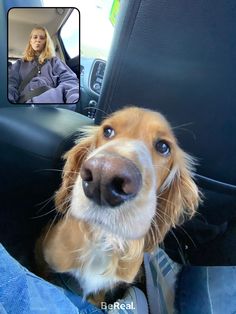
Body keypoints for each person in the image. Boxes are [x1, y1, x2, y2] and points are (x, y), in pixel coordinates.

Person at [8, 26, 79, 104]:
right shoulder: (19, 64)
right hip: (24, 106)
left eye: (42, 38)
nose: (38, 40)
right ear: (30, 41)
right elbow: (10, 85)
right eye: (35, 37)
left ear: (46, 42)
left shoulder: (54, 61)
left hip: (52, 106)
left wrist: (73, 100)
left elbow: (69, 81)